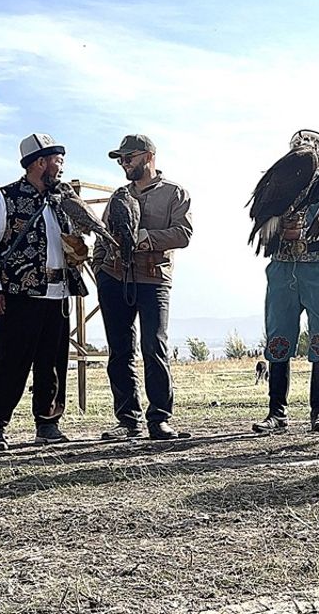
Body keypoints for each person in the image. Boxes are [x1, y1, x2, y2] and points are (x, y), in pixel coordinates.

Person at [0, 133, 88, 451]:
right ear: (40, 163)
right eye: (57, 161)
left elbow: (71, 241)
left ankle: (48, 424)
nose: (61, 167)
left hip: (58, 292)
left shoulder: (61, 199)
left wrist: (78, 250)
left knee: (52, 363)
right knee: (10, 364)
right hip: (18, 294)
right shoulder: (5, 197)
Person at [93, 134, 194, 441]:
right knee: (120, 352)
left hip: (154, 279)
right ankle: (127, 420)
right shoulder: (118, 196)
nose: (124, 163)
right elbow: (102, 233)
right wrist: (100, 268)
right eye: (121, 159)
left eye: (129, 157)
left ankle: (160, 419)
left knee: (154, 348)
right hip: (115, 278)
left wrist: (146, 237)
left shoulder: (175, 193)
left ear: (149, 156)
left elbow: (184, 233)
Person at [254, 129, 319, 434]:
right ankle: (277, 413)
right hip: (281, 266)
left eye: (311, 144)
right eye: (297, 144)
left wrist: (307, 233)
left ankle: (318, 412)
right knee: (278, 339)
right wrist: (279, 228)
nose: (303, 147)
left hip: (317, 265)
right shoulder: (282, 181)